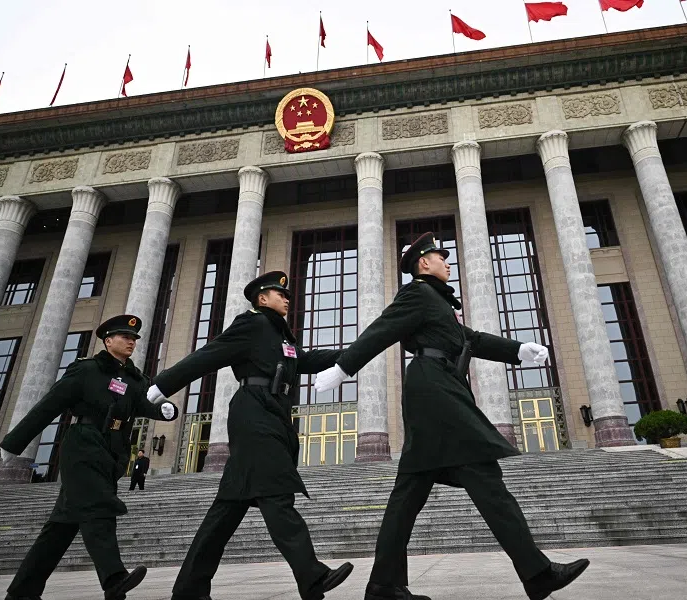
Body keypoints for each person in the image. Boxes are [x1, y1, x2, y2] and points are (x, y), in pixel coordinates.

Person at [314, 233, 590, 600]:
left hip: (439, 388)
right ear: (423, 263)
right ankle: (536, 572)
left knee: (408, 493)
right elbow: (383, 329)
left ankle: (384, 586)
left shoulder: (438, 303)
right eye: (440, 257)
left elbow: (471, 338)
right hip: (435, 392)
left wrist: (519, 349)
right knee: (483, 474)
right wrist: (343, 367)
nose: (447, 262)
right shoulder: (417, 294)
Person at [147, 271, 354, 600]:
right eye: (279, 293)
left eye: (288, 293)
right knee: (277, 494)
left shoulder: (282, 337)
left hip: (273, 415)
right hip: (254, 415)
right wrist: (161, 385)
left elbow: (306, 360)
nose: (287, 297)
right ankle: (311, 575)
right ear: (262, 298)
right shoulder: (252, 324)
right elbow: (208, 355)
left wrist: (354, 353)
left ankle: (189, 590)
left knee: (225, 512)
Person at [0, 314, 179, 600]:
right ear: (108, 341)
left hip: (111, 451)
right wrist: (14, 443)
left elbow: (142, 402)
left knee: (60, 528)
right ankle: (113, 579)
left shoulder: (134, 378)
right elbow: (49, 404)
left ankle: (22, 592)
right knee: (99, 508)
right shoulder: (86, 370)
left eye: (134, 338)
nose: (131, 341)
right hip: (83, 446)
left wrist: (163, 410)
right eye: (125, 337)